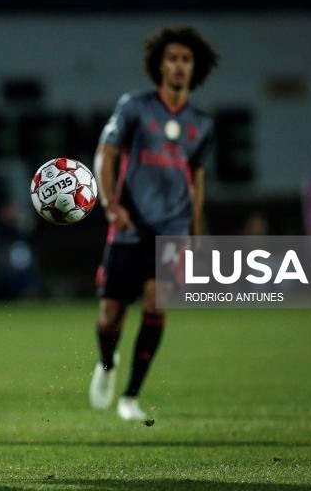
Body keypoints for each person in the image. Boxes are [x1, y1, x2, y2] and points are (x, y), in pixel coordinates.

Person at [89, 27, 218, 420]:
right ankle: (107, 363)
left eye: (186, 60)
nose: (179, 66)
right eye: (172, 58)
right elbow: (106, 154)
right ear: (159, 65)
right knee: (111, 315)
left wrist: (196, 230)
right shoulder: (134, 106)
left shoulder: (201, 123)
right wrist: (110, 204)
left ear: (195, 67)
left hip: (172, 229)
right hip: (129, 225)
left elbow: (196, 178)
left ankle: (130, 397)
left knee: (155, 301)